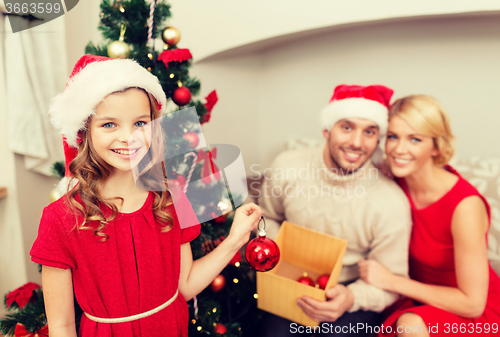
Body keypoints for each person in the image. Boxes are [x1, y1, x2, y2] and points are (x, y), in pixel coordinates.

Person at [30, 55, 263, 337]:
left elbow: (185, 286)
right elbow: (62, 326)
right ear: (85, 132)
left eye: (140, 123)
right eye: (109, 125)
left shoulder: (172, 198)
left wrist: (235, 239)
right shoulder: (61, 218)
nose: (129, 138)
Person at [258, 84, 412, 336]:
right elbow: (267, 216)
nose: (356, 142)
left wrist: (352, 297)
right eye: (347, 127)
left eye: (369, 132)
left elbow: (392, 281)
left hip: (351, 296)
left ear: (378, 139)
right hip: (287, 283)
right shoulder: (287, 166)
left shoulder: (390, 202)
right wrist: (276, 253)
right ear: (327, 130)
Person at [358, 95, 500, 336]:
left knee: (410, 325)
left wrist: (391, 281)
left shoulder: (465, 206)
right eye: (393, 137)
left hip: (470, 310)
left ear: (436, 146)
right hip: (416, 299)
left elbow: (472, 303)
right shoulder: (391, 180)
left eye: (415, 139)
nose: (399, 149)